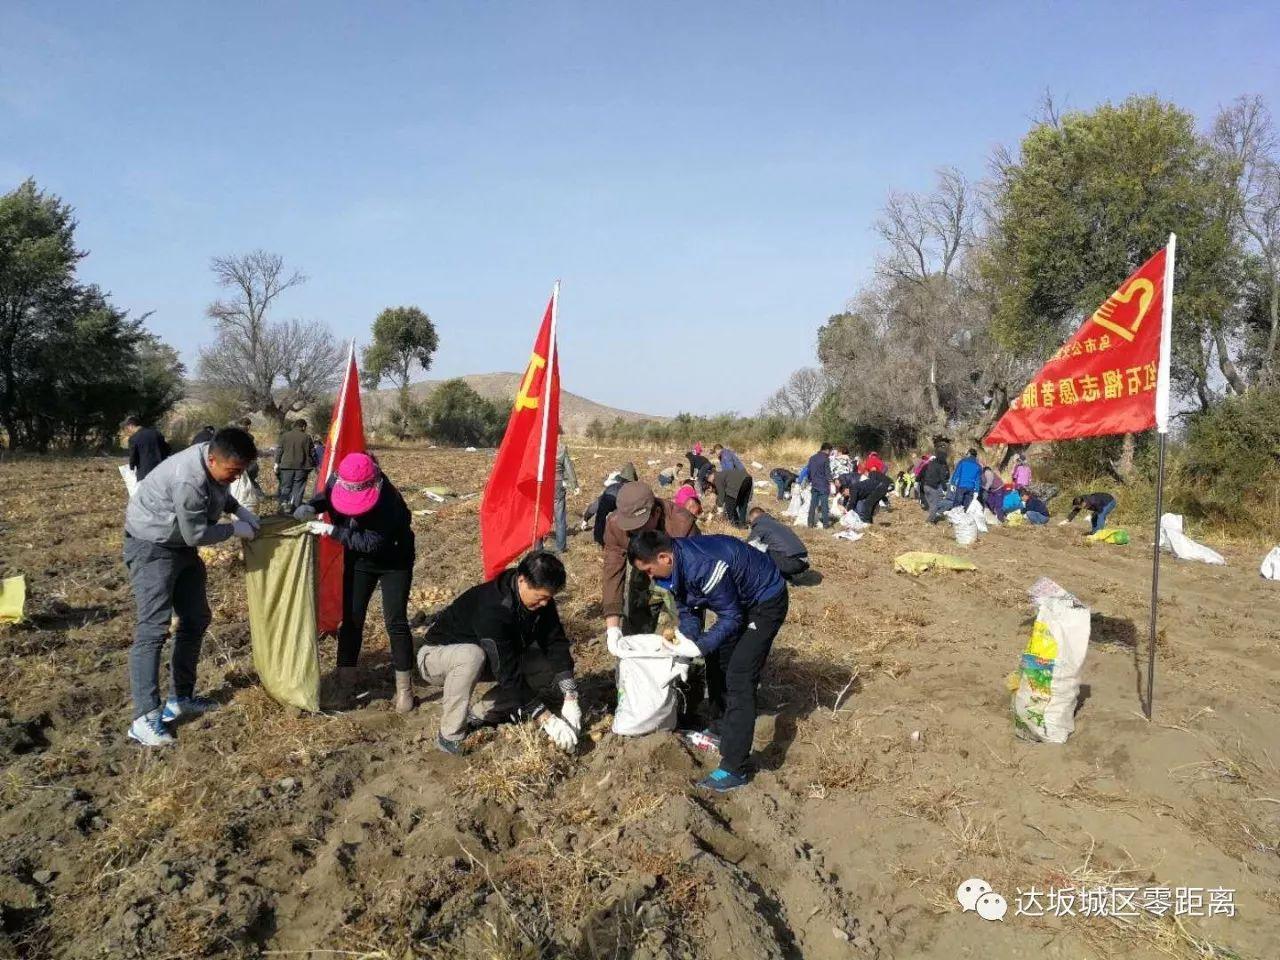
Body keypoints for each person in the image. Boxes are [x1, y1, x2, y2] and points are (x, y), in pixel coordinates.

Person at [123, 427, 261, 746]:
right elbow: (195, 535)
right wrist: (235, 529)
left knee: (196, 618)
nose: (236, 478)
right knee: (153, 630)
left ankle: (181, 697)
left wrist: (237, 508)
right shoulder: (189, 478)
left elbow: (220, 491)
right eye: (233, 471)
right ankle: (143, 718)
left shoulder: (211, 465)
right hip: (152, 546)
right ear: (213, 459)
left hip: (179, 546)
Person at [628, 531, 788, 792]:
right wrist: (684, 645)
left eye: (648, 569)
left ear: (663, 557)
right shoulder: (674, 568)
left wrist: (699, 646)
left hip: (766, 600)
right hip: (739, 599)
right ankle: (721, 726)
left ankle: (736, 766)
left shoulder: (701, 565)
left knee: (740, 675)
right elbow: (689, 610)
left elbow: (732, 617)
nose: (649, 576)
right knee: (718, 656)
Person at [417, 552, 580, 755]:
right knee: (472, 655)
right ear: (522, 581)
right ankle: (449, 735)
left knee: (543, 664)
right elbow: (507, 671)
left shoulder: (542, 603)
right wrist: (544, 716)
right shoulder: (492, 608)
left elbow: (555, 641)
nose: (545, 604)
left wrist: (570, 695)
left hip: (489, 657)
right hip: (436, 657)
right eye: (541, 597)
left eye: (549, 598)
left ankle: (478, 714)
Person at [295, 452, 417, 712]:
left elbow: (371, 542)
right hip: (359, 561)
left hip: (394, 560)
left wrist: (333, 531)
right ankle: (345, 683)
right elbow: (326, 498)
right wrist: (312, 507)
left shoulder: (387, 500)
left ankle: (404, 689)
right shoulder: (338, 479)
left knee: (395, 621)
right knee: (351, 618)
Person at [602, 481, 699, 640]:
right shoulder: (615, 524)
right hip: (643, 571)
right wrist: (612, 628)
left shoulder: (682, 525)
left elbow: (696, 573)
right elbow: (612, 571)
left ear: (657, 513)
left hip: (679, 577)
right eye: (630, 529)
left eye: (641, 527)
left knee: (686, 637)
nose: (635, 533)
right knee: (634, 635)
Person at [747, 507, 809, 582]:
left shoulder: (760, 525)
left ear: (753, 518)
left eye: (750, 522)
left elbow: (748, 546)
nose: (750, 525)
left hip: (791, 562)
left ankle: (765, 579)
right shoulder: (778, 524)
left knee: (758, 551)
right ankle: (784, 576)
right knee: (772, 547)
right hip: (803, 561)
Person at [593, 463, 638, 546]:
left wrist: (586, 518)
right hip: (615, 506)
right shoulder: (631, 491)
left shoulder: (611, 488)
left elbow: (594, 506)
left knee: (601, 517)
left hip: (607, 505)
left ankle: (599, 540)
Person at [276, 418, 315, 512]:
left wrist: (276, 462)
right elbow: (312, 453)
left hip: (286, 466)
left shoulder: (285, 436)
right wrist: (314, 464)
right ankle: (295, 509)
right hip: (302, 467)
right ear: (303, 426)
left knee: (285, 487)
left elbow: (279, 451)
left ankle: (282, 507)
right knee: (298, 488)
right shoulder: (307, 437)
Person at [552, 432, 579, 553]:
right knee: (560, 516)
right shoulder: (561, 449)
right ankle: (560, 547)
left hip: (542, 485)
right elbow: (569, 468)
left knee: (540, 515)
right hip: (558, 484)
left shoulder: (539, 448)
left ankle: (538, 546)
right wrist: (574, 485)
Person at [124, 416, 171, 482]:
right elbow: (167, 449)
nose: (128, 430)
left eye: (127, 428)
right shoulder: (156, 433)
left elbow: (133, 456)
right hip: (161, 469)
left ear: (131, 426)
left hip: (144, 473)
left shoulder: (133, 438)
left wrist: (131, 467)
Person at [806, 443, 833, 529]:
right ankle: (825, 524)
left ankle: (810, 523)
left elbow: (808, 471)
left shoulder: (812, 458)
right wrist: (831, 482)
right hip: (823, 485)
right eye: (830, 451)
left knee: (813, 504)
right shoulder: (826, 459)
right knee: (824, 505)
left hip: (814, 484)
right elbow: (827, 473)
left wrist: (811, 480)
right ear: (827, 450)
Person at [921, 448, 951, 521]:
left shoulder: (929, 464)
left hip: (925, 486)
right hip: (933, 487)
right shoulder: (940, 466)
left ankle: (932, 515)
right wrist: (945, 488)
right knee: (934, 505)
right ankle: (930, 520)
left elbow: (922, 473)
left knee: (931, 504)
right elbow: (942, 478)